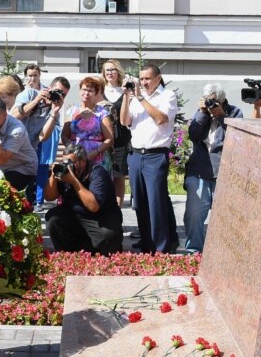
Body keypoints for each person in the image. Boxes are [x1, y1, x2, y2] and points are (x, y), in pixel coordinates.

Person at [120, 64, 179, 254]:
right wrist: (127, 97)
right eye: (141, 79)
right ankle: (146, 243)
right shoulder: (136, 97)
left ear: (158, 78)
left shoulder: (167, 95)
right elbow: (124, 121)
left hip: (155, 155)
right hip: (136, 155)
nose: (144, 83)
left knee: (156, 203)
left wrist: (139, 97)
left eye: (147, 79)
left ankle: (161, 247)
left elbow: (161, 119)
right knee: (140, 203)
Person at [184, 84, 242, 251]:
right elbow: (193, 135)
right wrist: (203, 113)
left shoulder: (235, 112)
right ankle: (194, 250)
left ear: (222, 100)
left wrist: (222, 117)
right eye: (208, 100)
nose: (211, 104)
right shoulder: (201, 112)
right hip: (199, 170)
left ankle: (221, 252)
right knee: (194, 214)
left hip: (224, 172)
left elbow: (238, 138)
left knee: (225, 216)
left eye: (215, 101)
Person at [44, 143, 123, 254]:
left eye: (71, 163)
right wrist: (53, 176)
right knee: (53, 219)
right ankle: (66, 253)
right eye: (64, 162)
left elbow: (94, 207)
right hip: (76, 217)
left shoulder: (96, 172)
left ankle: (95, 250)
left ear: (83, 161)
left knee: (108, 236)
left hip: (100, 217)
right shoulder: (64, 173)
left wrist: (73, 181)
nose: (67, 166)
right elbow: (49, 197)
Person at [100, 59, 132, 207]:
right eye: (107, 70)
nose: (110, 72)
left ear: (118, 71)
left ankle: (117, 210)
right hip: (103, 138)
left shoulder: (125, 91)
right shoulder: (100, 91)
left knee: (119, 176)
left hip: (121, 138)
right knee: (103, 174)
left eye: (112, 69)